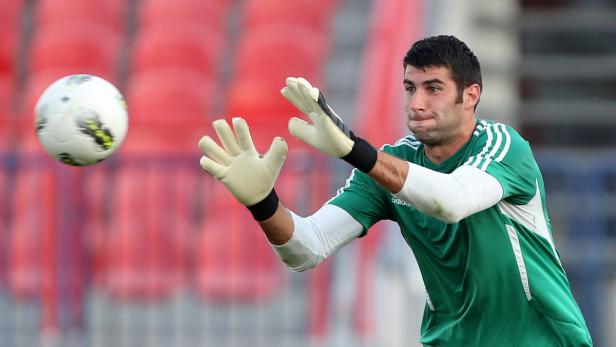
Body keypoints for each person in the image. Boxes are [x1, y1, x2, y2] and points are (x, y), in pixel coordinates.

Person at [198, 35, 593, 346]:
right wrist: (263, 203)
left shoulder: (504, 146)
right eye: (410, 88)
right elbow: (307, 248)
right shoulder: (392, 164)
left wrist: (354, 148)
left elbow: (451, 200)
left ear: (470, 95)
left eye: (433, 88)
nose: (417, 103)